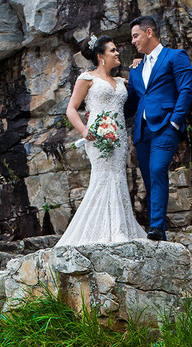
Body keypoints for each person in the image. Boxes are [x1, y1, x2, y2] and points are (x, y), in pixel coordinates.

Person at [57, 35, 148, 247]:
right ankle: (106, 231)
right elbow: (71, 109)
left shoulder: (120, 81)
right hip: (98, 137)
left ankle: (120, 227)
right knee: (103, 177)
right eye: (113, 50)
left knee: (118, 177)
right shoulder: (87, 78)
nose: (117, 53)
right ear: (101, 56)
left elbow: (141, 89)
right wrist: (84, 130)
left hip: (119, 138)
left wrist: (140, 65)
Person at [125, 16, 192, 242]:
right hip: (142, 131)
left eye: (135, 36)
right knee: (149, 179)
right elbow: (131, 103)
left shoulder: (175, 56)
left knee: (157, 170)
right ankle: (159, 235)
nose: (133, 41)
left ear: (149, 32)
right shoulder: (135, 70)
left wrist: (175, 121)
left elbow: (186, 90)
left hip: (166, 125)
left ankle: (154, 227)